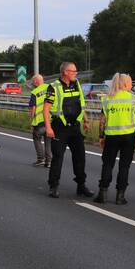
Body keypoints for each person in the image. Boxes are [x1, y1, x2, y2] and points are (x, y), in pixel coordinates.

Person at [43, 61, 92, 199]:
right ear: (65, 72)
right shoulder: (54, 87)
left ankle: (81, 186)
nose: (75, 73)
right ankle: (54, 186)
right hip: (60, 127)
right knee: (58, 157)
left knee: (80, 157)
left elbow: (81, 105)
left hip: (75, 127)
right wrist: (48, 127)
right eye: (73, 71)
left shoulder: (77, 85)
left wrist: (86, 120)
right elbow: (46, 109)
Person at [95, 73, 135, 204]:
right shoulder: (133, 99)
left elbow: (102, 121)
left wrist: (101, 136)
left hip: (111, 137)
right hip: (128, 137)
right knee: (124, 166)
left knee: (107, 165)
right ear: (125, 84)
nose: (131, 86)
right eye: (130, 83)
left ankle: (102, 194)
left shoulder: (107, 99)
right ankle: (120, 196)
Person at [28, 74, 51, 167]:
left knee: (37, 139)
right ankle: (48, 161)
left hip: (39, 122)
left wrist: (31, 121)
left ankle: (40, 159)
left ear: (36, 82)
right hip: (50, 121)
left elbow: (33, 108)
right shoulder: (50, 88)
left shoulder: (35, 92)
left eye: (33, 81)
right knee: (48, 141)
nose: (33, 83)